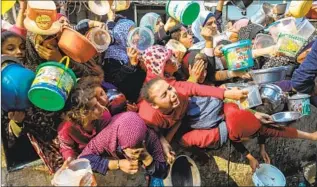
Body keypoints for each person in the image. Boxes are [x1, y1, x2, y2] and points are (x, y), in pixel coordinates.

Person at [182, 102, 317, 172]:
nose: (259, 132)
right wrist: (251, 157)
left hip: (221, 119)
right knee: (192, 147)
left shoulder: (231, 108)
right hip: (186, 131)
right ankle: (202, 157)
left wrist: (310, 136)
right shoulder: (209, 136)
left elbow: (281, 131)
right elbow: (236, 142)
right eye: (253, 135)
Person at [79, 112, 169, 179]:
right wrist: (117, 164)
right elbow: (82, 159)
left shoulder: (150, 136)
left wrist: (146, 158)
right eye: (130, 149)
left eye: (140, 145)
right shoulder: (107, 136)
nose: (136, 152)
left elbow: (162, 173)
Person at [58, 76, 112, 161]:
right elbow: (67, 147)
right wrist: (70, 158)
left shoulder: (104, 116)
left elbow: (109, 139)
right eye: (94, 107)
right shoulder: (67, 129)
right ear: (81, 114)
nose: (102, 107)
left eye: (97, 102)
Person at [103, 19, 146, 103]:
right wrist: (130, 64)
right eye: (132, 34)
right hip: (127, 102)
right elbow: (115, 81)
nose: (137, 37)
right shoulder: (112, 55)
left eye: (137, 32)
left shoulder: (138, 50)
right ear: (122, 35)